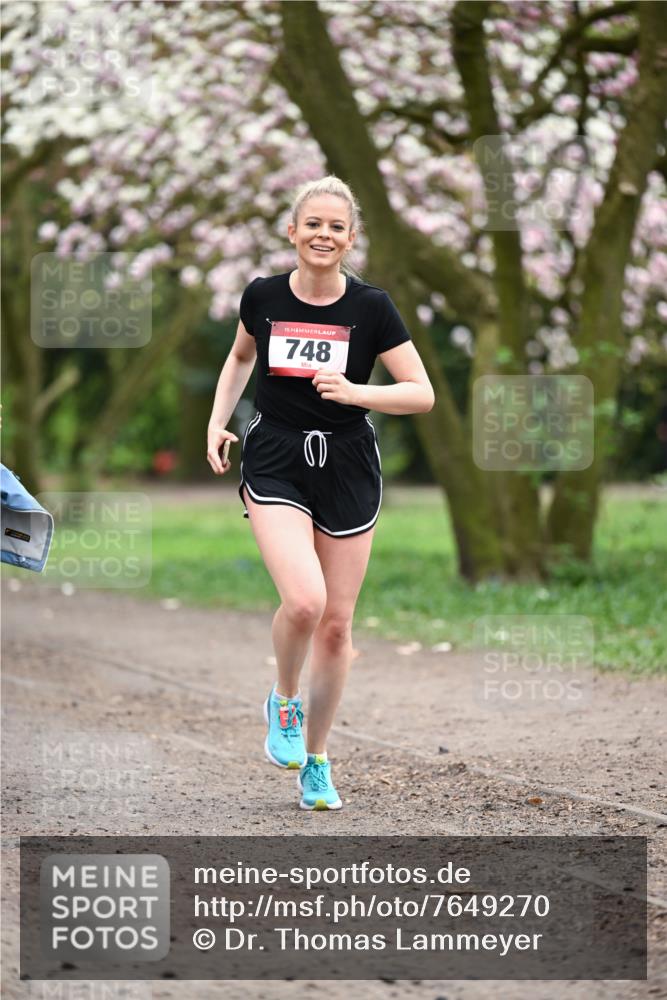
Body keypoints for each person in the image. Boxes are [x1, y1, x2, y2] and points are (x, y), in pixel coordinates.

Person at [207, 175, 434, 811]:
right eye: (313, 224)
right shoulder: (264, 297)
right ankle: (284, 699)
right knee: (304, 602)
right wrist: (217, 420)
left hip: (348, 464)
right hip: (277, 454)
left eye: (337, 226)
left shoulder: (371, 308)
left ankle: (317, 758)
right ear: (293, 231)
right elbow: (238, 358)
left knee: (336, 626)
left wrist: (358, 392)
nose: (324, 235)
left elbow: (421, 392)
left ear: (350, 237)